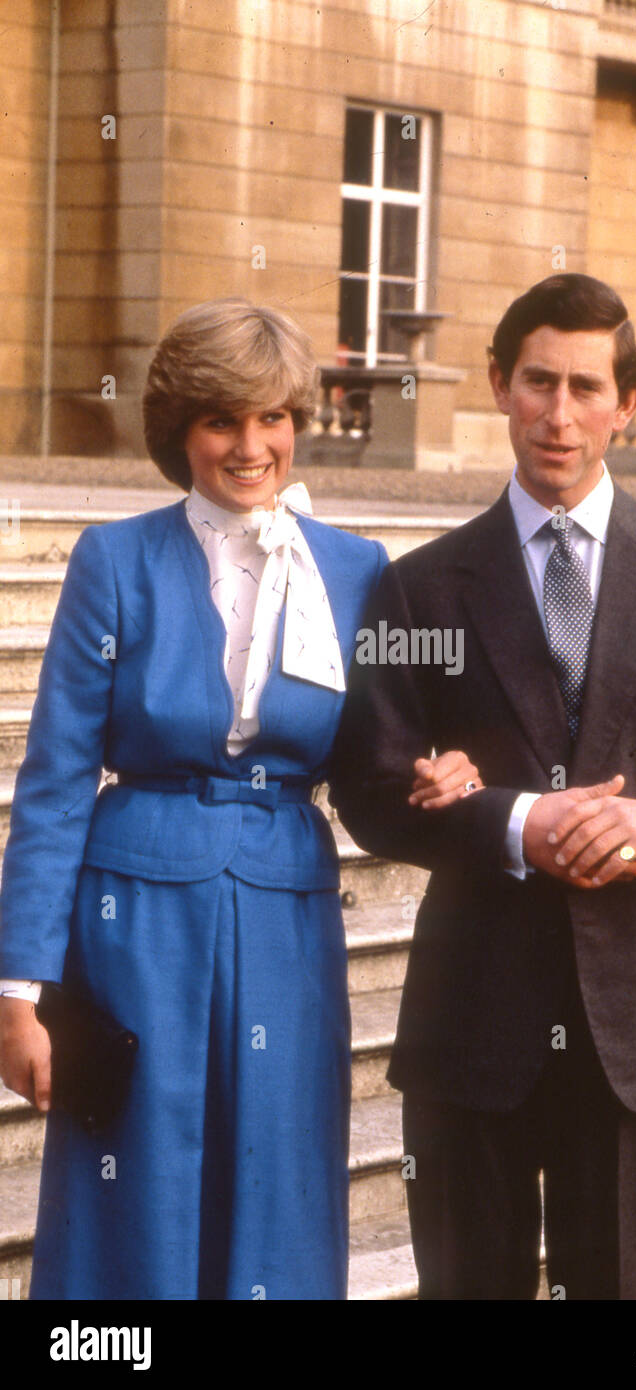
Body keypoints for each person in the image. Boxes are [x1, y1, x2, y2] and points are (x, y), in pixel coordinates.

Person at [330, 273, 636, 1300]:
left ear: (626, 401)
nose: (559, 413)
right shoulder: (416, 583)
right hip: (472, 1024)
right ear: (500, 384)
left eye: (586, 387)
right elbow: (368, 788)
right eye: (537, 381)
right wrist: (511, 821)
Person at [0, 297, 479, 1300]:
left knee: (279, 1170)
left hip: (285, 921)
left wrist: (434, 779)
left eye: (272, 417)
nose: (250, 444)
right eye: (222, 419)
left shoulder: (352, 570)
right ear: (180, 430)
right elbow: (53, 782)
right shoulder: (114, 559)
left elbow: (369, 769)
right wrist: (18, 991)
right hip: (132, 921)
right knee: (135, 1182)